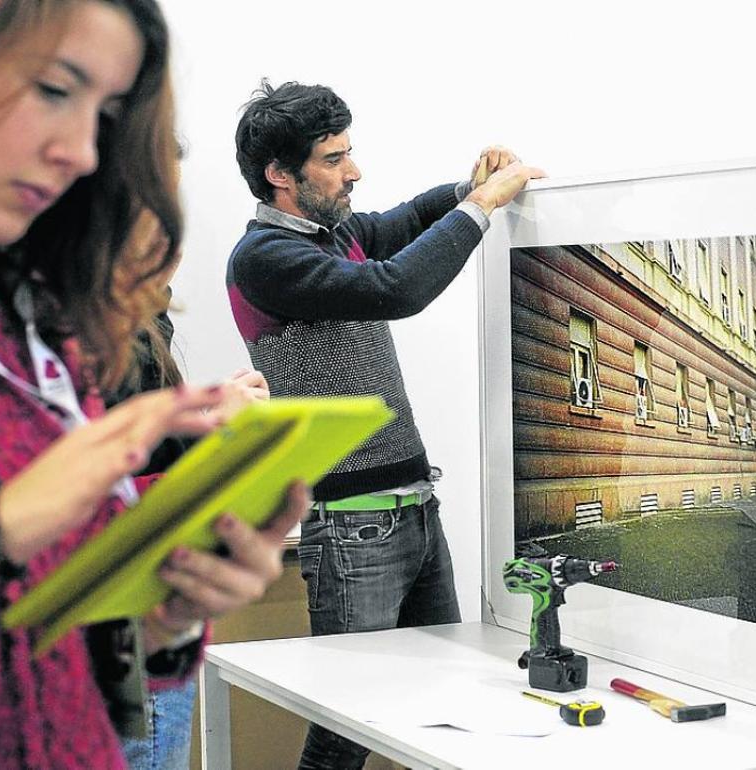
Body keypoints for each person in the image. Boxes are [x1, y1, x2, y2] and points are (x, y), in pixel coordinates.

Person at [0, 1, 306, 767]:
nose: (85, 153)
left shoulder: (26, 322)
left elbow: (30, 647)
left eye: (108, 114)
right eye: (57, 90)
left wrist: (164, 619)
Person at [227, 79, 544, 768]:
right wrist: (482, 207)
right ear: (280, 175)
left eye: (350, 152)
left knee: (442, 704)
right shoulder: (263, 261)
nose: (354, 171)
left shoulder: (336, 234)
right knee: (344, 730)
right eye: (333, 159)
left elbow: (406, 221)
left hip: (413, 513)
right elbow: (396, 287)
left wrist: (469, 184)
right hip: (352, 529)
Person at [106, 210, 271, 770]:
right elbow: (108, 493)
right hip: (131, 625)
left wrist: (202, 412)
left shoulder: (138, 323)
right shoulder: (106, 335)